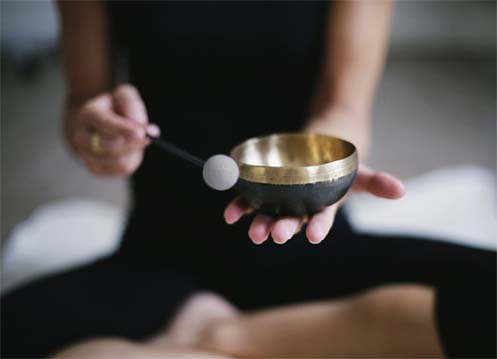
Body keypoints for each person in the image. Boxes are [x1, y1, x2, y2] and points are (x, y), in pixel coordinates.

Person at [2, 1, 495, 358]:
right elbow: (82, 105)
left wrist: (320, 170)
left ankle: (217, 336)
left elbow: (343, 106)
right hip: (162, 257)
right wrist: (99, 134)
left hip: (305, 247)